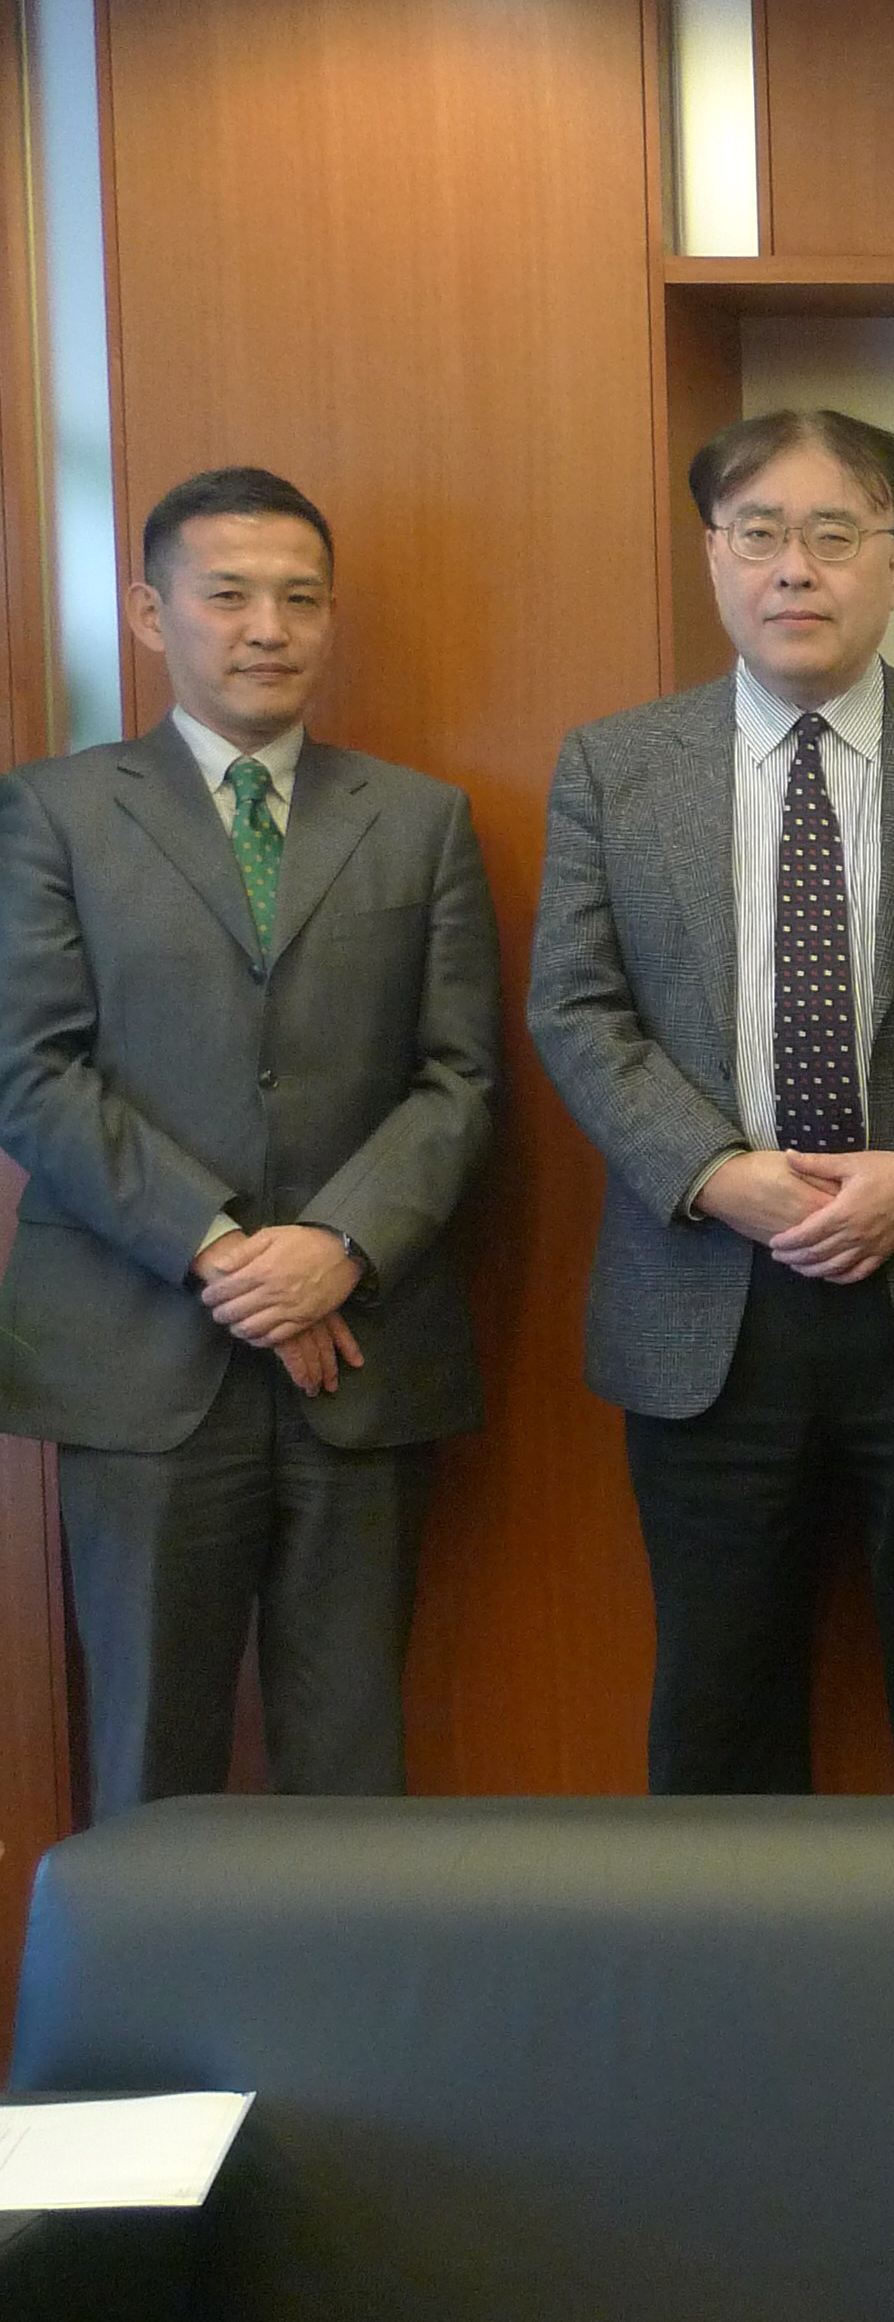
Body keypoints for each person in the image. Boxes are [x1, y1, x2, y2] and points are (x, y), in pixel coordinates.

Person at [530, 408, 894, 1794]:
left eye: (834, 535)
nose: (794, 569)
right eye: (759, 534)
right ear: (714, 556)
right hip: (705, 1294)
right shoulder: (615, 765)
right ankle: (729, 1944)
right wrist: (714, 1170)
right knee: (721, 1702)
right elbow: (574, 1006)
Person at [0, 466, 498, 1810]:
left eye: (301, 599)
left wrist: (337, 1246)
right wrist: (224, 1251)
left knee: (352, 1762)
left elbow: (459, 1078)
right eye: (228, 595)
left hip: (362, 1357)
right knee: (149, 1756)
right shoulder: (51, 811)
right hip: (138, 1360)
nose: (268, 628)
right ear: (149, 613)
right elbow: (32, 1072)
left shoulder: (420, 819)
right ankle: (144, 1968)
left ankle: (350, 1966)